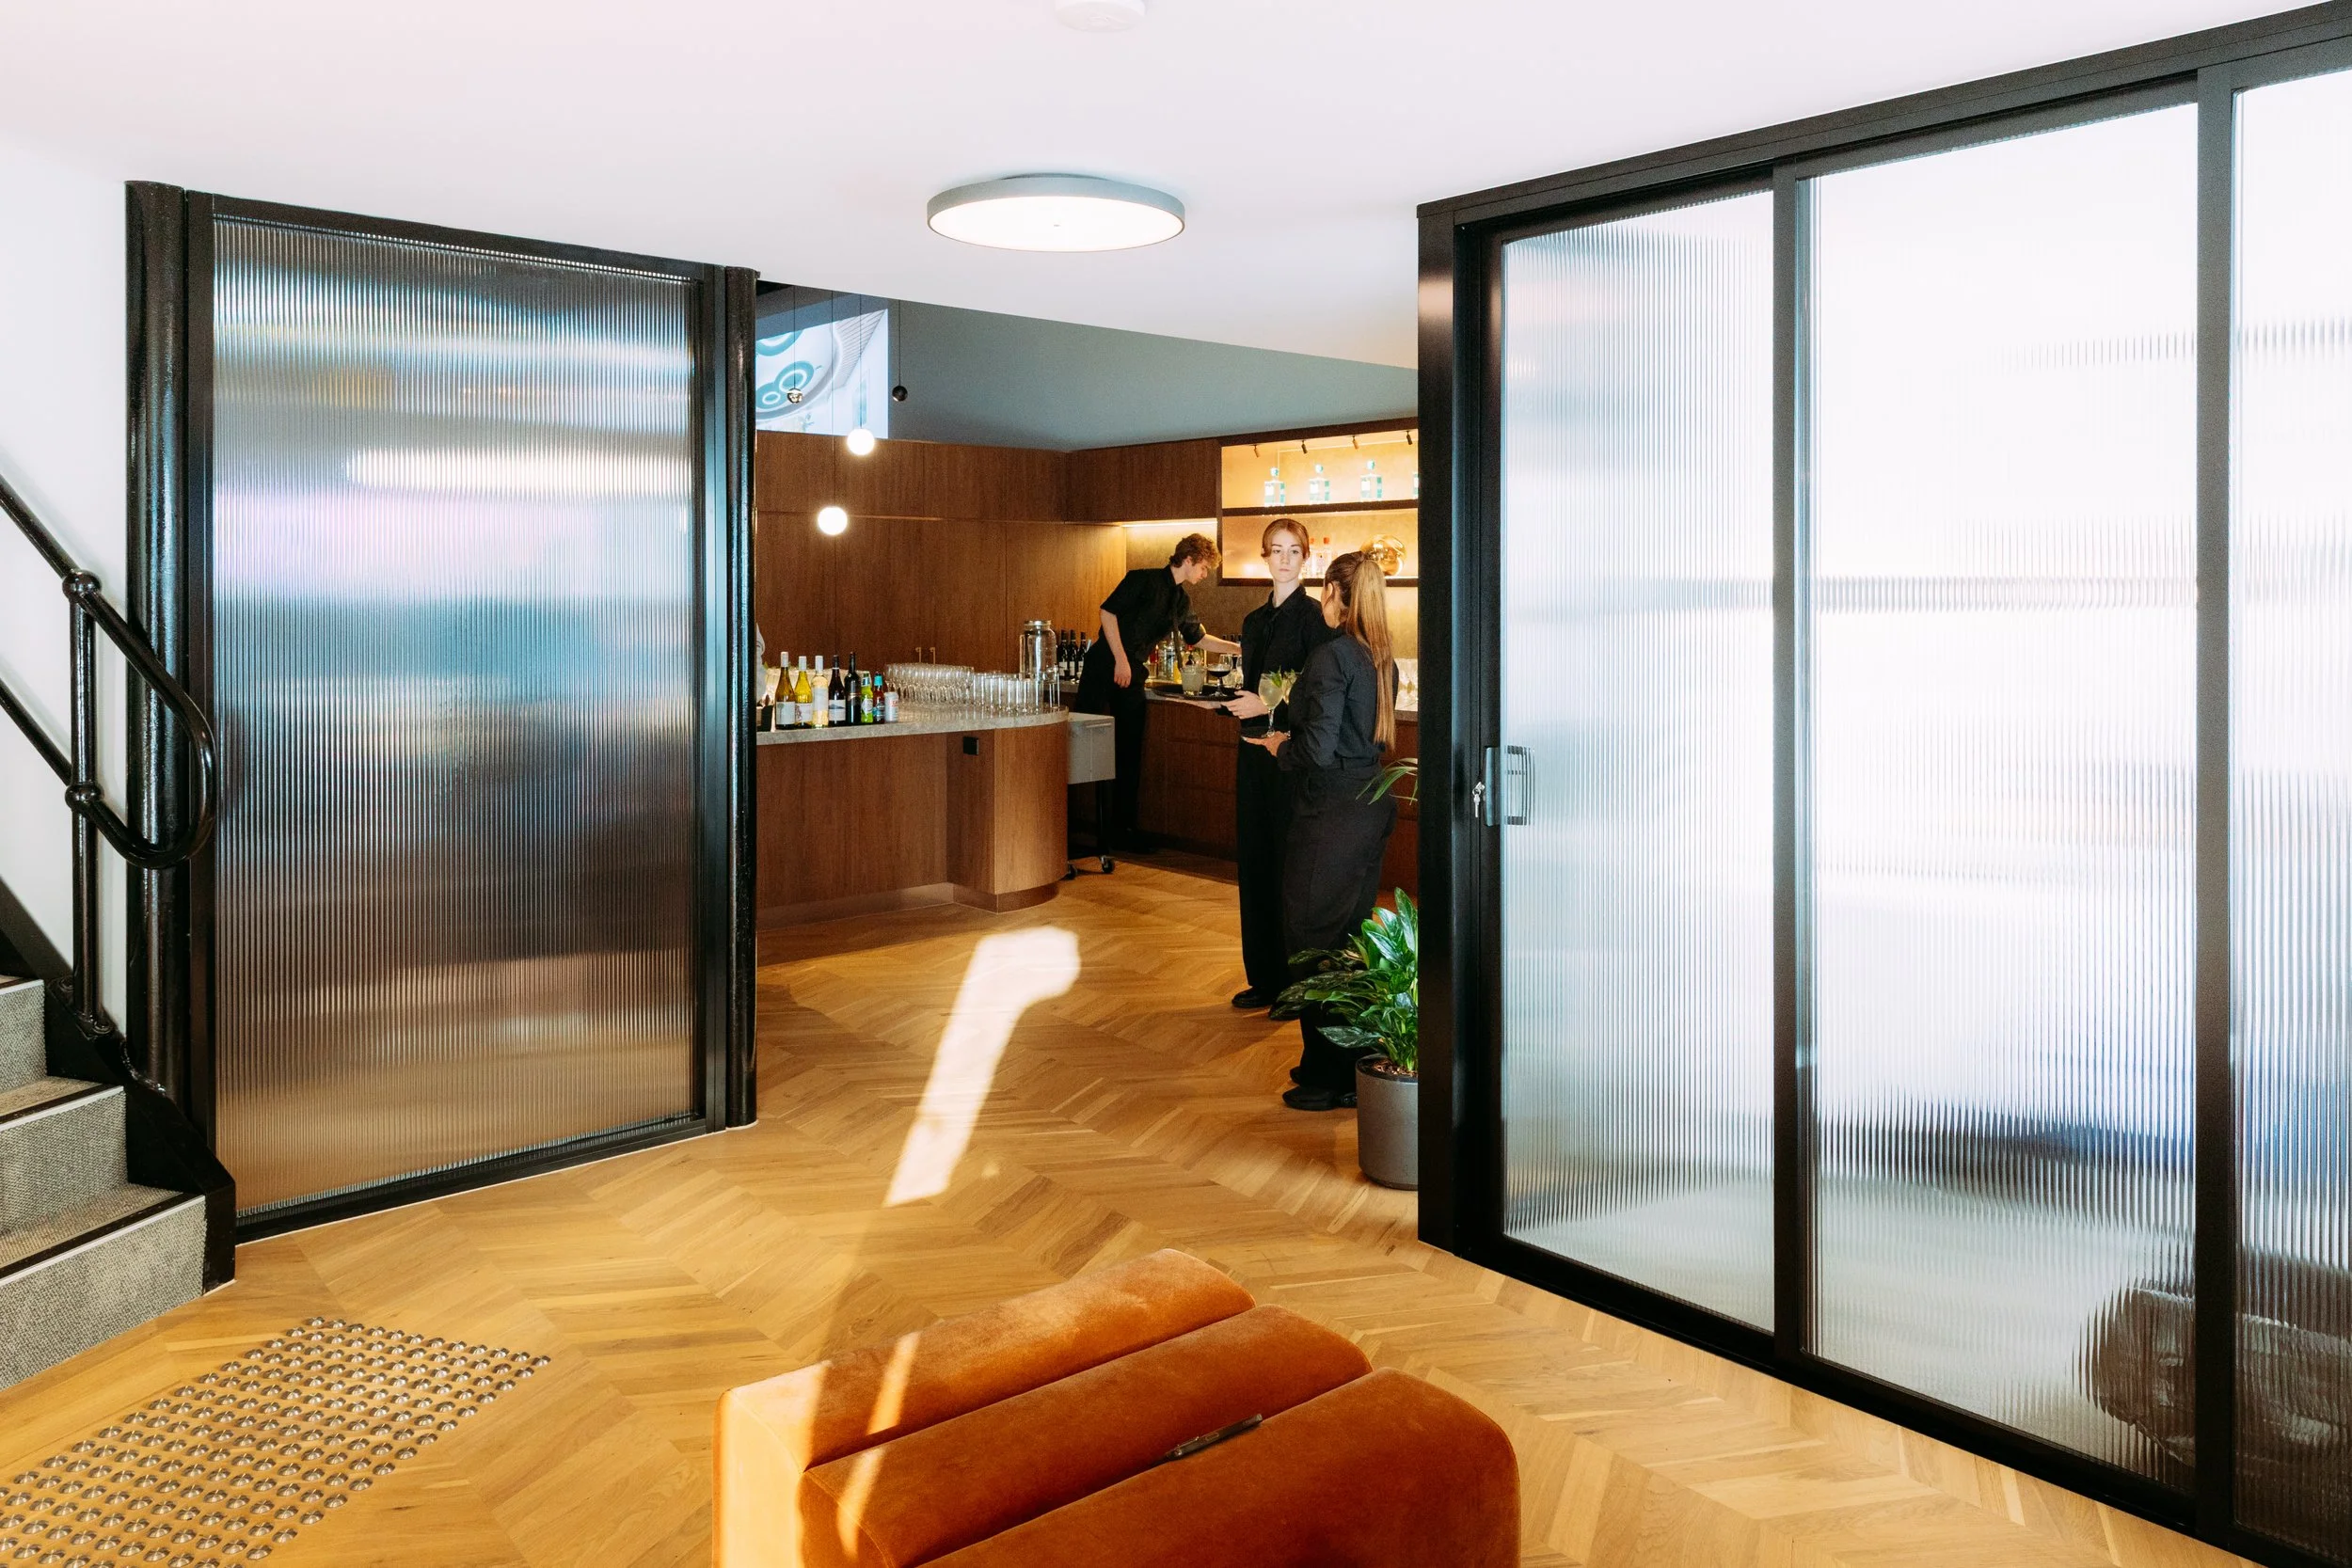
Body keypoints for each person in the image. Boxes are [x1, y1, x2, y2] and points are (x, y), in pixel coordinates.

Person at [1248, 551, 1400, 1111]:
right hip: (1369, 805)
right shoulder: (1380, 659)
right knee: (1347, 942)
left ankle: (1329, 1078)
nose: (1322, 600)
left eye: (1325, 591)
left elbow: (1314, 747)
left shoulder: (1332, 656)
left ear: (1338, 593)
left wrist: (1278, 746)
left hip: (1330, 815)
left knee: (1311, 942)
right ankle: (1339, 1064)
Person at [1225, 518, 1336, 1010]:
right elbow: (1253, 686)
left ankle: (1295, 986)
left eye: (1294, 550)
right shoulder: (1252, 622)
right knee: (1255, 864)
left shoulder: (1318, 620)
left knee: (1291, 873)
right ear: (1264, 556)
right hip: (1252, 754)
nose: (1285, 558)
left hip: (1292, 760)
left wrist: (1268, 708)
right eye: (1276, 550)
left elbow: (1317, 699)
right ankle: (1264, 977)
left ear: (1306, 558)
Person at [1074, 533, 1238, 850]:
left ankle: (1123, 832)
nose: (1204, 576)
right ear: (1189, 560)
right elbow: (1107, 613)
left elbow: (1198, 638)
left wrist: (1239, 648)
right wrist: (1120, 660)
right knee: (1087, 747)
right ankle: (1081, 833)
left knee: (1129, 752)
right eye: (1204, 568)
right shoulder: (1142, 580)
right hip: (1103, 666)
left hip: (1131, 672)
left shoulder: (1179, 600)